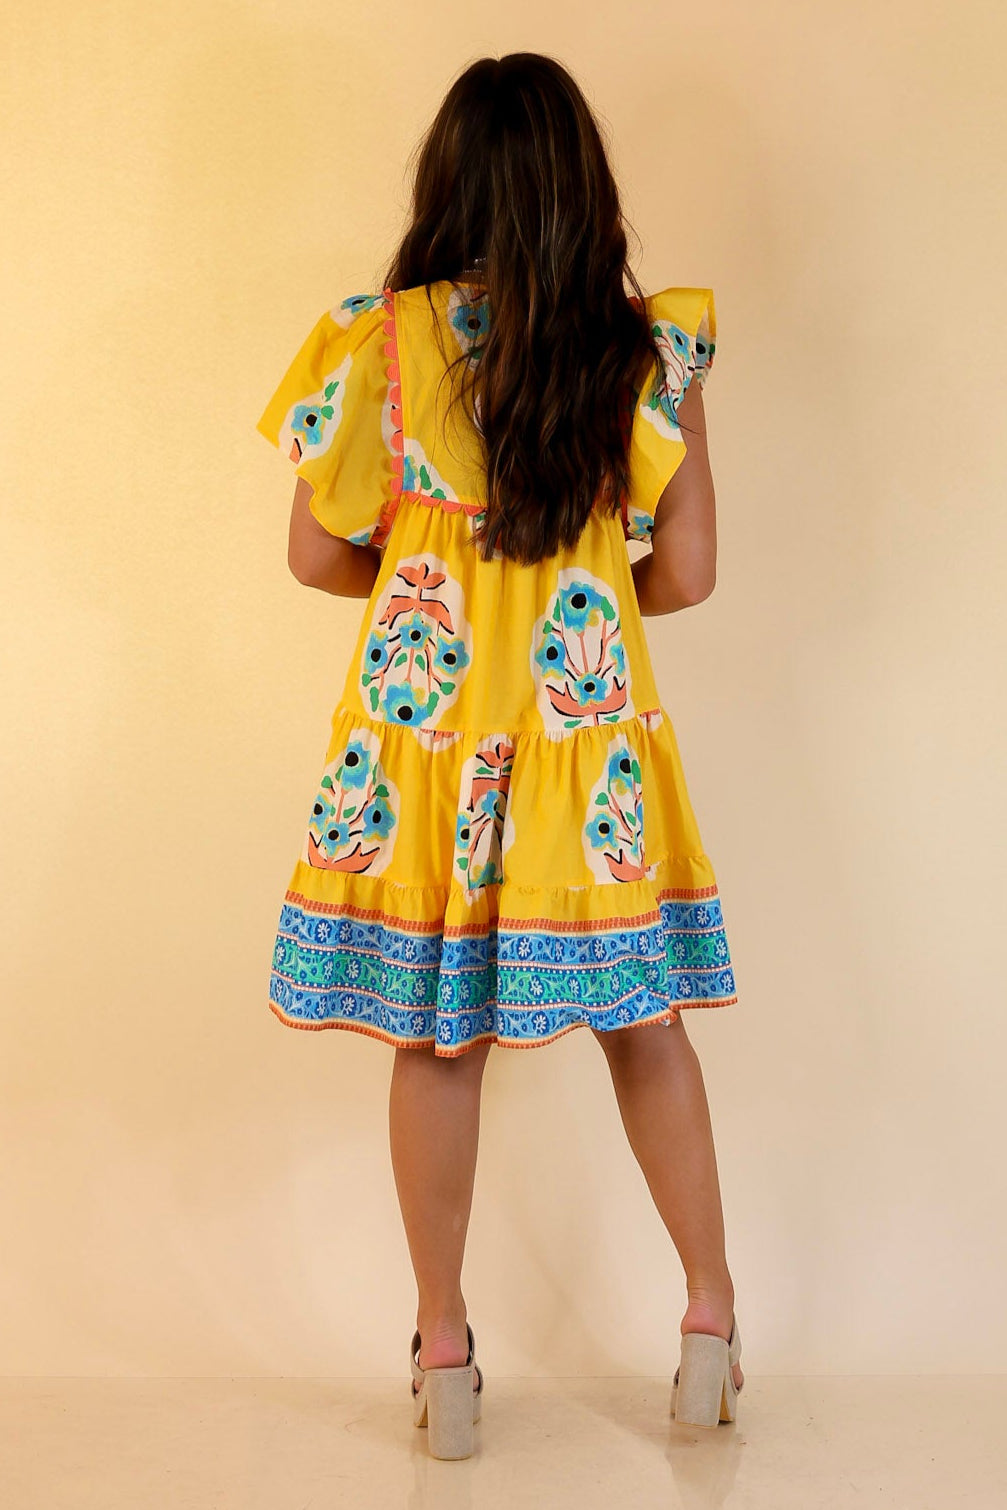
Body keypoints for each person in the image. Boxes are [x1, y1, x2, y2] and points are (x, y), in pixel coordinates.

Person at [256, 51, 743, 1458]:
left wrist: (436, 585)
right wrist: (573, 595)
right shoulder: (645, 354)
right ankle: (708, 1327)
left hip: (432, 753)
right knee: (646, 1028)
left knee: (437, 1041)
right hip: (586, 755)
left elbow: (313, 556)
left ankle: (446, 1352)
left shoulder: (379, 347)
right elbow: (689, 574)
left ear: (447, 185)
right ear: (586, 189)